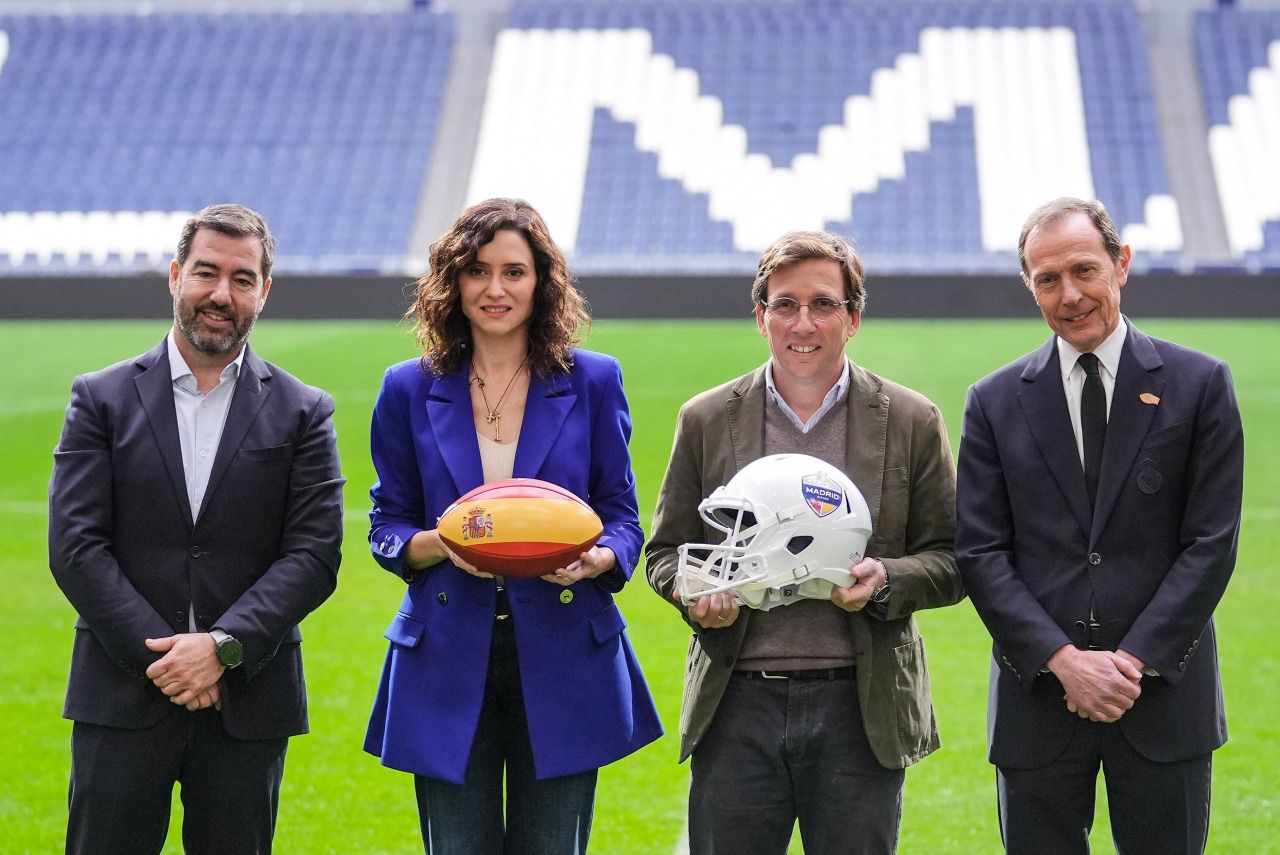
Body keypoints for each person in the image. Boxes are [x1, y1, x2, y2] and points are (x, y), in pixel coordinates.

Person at [646, 230, 963, 854]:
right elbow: (664, 553)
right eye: (785, 304)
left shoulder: (910, 419)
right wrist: (692, 591)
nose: (803, 322)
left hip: (860, 704)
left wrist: (886, 582)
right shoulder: (706, 419)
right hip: (737, 701)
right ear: (760, 316)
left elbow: (953, 558)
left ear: (854, 317)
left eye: (824, 304)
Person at [363, 197, 662, 853]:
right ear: (453, 281)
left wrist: (599, 559)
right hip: (444, 654)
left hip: (562, 652)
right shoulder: (407, 387)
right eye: (476, 270)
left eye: (514, 271)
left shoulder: (593, 380)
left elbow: (622, 517)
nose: (494, 288)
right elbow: (386, 523)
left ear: (542, 281)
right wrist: (438, 543)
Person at [48, 203, 345, 854]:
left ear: (263, 291)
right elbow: (75, 547)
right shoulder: (99, 398)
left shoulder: (304, 411)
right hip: (122, 697)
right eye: (206, 272)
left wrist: (222, 646)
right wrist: (169, 660)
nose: (221, 293)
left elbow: (315, 553)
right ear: (176, 275)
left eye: (242, 278)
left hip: (246, 703)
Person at [955, 197, 1244, 854]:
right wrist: (1062, 661)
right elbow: (980, 550)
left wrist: (1128, 663)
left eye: (1085, 269)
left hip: (1165, 699)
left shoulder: (1200, 384)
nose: (1070, 294)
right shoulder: (994, 401)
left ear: (1122, 263)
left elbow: (1212, 544)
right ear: (1029, 285)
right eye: (1047, 279)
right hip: (1038, 703)